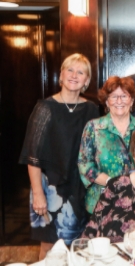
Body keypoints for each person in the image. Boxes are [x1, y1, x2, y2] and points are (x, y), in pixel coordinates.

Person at [19, 53, 99, 259]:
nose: (74, 75)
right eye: (69, 70)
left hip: (80, 188)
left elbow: (96, 150)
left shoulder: (91, 109)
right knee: (49, 246)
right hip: (49, 189)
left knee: (80, 246)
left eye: (80, 72)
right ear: (61, 76)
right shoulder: (45, 108)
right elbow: (33, 156)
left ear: (86, 81)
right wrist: (38, 194)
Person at [78, 76, 135, 215]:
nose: (119, 101)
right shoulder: (93, 127)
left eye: (124, 96)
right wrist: (111, 182)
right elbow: (85, 165)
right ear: (106, 102)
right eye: (114, 96)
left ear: (132, 100)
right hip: (102, 203)